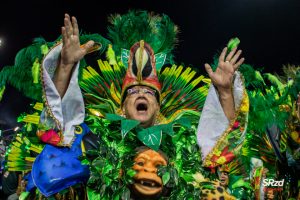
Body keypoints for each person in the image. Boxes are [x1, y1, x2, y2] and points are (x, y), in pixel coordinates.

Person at [3, 10, 247, 199]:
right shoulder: (98, 144)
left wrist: (225, 93)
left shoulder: (183, 146)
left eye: (149, 93)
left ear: (158, 106)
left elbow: (219, 149)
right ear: (122, 106)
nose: (142, 94)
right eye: (133, 91)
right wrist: (66, 67)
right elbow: (58, 133)